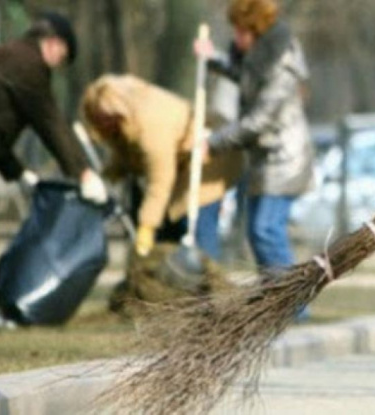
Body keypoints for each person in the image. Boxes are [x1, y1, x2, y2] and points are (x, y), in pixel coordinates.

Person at [0, 12, 107, 329]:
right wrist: (84, 173)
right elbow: (51, 123)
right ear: (53, 44)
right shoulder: (28, 65)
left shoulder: (10, 58)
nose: (59, 65)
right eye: (63, 56)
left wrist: (18, 172)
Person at [196, 0, 314, 278]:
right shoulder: (258, 59)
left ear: (257, 31)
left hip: (286, 159)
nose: (236, 39)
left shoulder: (281, 65)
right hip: (265, 158)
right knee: (257, 230)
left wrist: (212, 143)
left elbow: (259, 120)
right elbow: (244, 77)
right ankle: (278, 299)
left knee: (266, 229)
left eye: (240, 32)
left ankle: (293, 303)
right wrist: (213, 59)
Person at [81, 74, 244, 260]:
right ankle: (176, 283)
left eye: (106, 118)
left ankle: (212, 280)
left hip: (210, 158)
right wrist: (105, 177)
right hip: (184, 163)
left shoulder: (151, 122)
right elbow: (127, 158)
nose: (103, 124)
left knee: (194, 222)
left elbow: (160, 180)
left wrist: (147, 226)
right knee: (171, 225)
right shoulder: (127, 122)